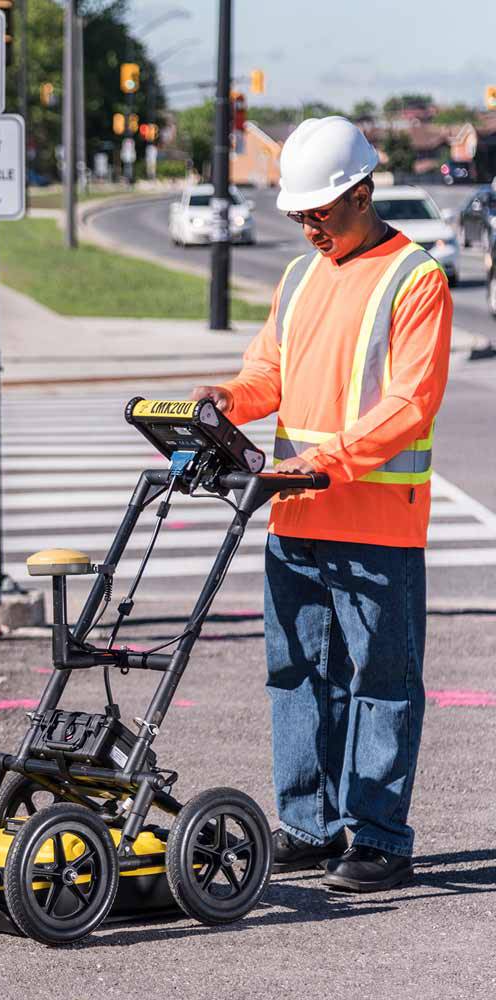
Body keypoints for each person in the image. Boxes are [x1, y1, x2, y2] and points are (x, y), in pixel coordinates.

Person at [192, 116, 451, 892]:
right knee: (296, 672)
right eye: (300, 215)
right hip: (294, 515)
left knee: (381, 681)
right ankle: (309, 824)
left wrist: (319, 464)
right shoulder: (301, 276)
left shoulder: (415, 279)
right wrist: (225, 401)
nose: (310, 228)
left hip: (375, 525)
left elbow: (408, 405)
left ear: (363, 194)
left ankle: (377, 838)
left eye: (322, 215)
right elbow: (268, 372)